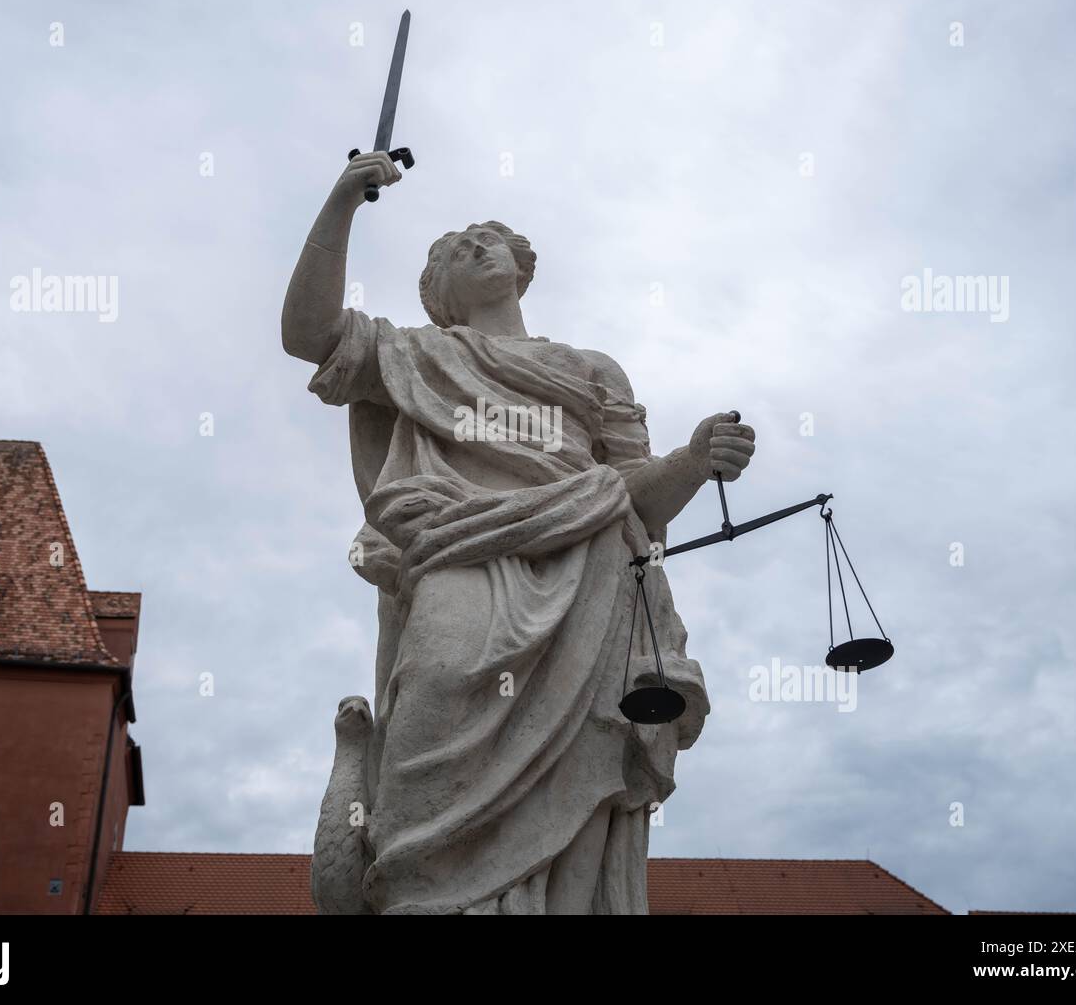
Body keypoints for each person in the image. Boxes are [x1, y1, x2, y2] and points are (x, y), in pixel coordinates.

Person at [284, 151, 756, 914]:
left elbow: (637, 502)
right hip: (459, 559)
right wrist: (343, 200)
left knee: (581, 783)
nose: (475, 245)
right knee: (431, 695)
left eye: (486, 237)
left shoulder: (592, 369)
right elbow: (308, 333)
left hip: (591, 578)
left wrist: (694, 460)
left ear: (521, 265)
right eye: (452, 250)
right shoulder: (416, 354)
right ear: (438, 296)